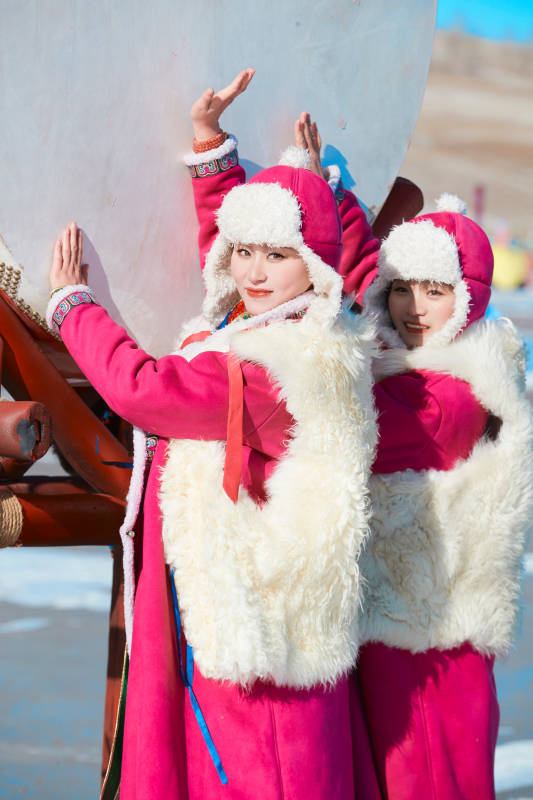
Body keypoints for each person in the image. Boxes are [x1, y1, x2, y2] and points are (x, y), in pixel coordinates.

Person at [46, 71, 380, 799]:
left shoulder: (285, 370)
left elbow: (147, 391)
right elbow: (227, 283)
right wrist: (211, 152)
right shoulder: (288, 322)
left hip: (255, 628)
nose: (255, 272)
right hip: (246, 606)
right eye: (246, 250)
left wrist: (74, 307)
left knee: (256, 774)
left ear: (315, 266)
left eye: (278, 254)